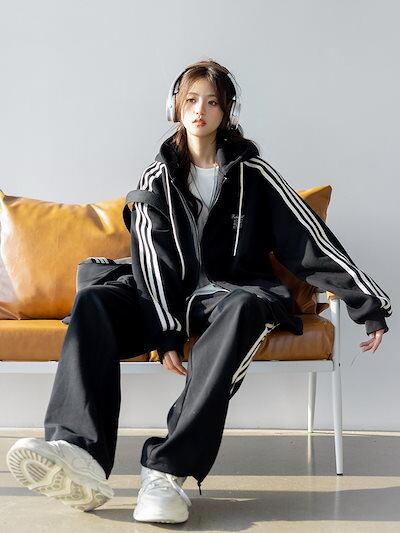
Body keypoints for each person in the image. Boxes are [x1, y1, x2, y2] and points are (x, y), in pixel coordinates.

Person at [6, 59, 391, 524]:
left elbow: (308, 240)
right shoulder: (155, 179)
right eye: (191, 100)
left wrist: (367, 304)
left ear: (227, 111)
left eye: (212, 102)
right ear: (175, 107)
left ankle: (166, 471)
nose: (200, 110)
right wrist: (166, 331)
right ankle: (78, 454)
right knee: (95, 300)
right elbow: (151, 260)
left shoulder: (255, 175)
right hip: (167, 297)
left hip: (232, 297)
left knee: (248, 307)